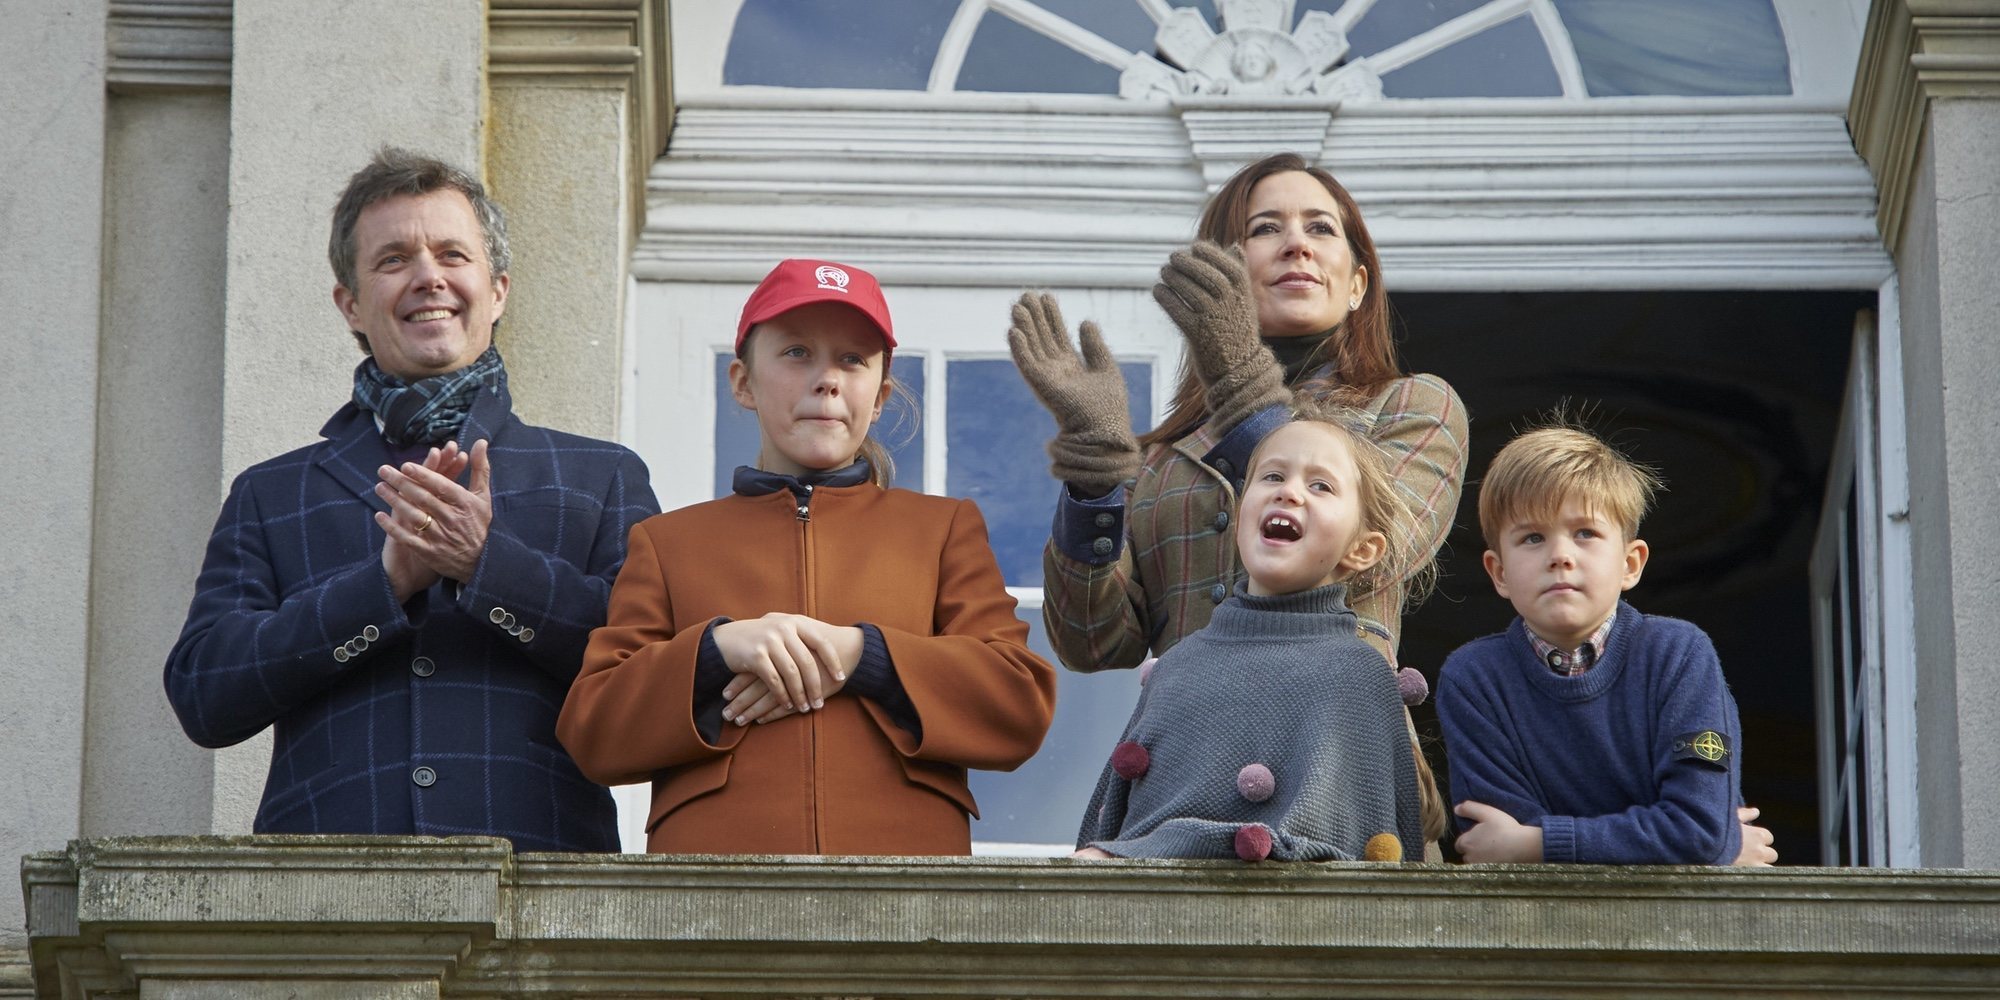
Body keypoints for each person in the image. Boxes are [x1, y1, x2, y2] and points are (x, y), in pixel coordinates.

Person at [163, 149, 659, 851]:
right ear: (351, 305)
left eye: (453, 254)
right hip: (322, 910)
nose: (429, 277)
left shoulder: (600, 475)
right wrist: (384, 586)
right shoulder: (271, 494)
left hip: (545, 902)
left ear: (497, 291)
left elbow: (654, 676)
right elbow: (204, 694)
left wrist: (488, 567)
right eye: (393, 259)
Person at [1008, 152, 1467, 844]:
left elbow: (1380, 551)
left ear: (1356, 284)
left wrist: (1241, 384)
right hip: (1185, 766)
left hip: (1335, 757)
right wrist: (1097, 479)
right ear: (1221, 268)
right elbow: (1092, 641)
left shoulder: (1412, 405)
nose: (1297, 244)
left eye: (1321, 228)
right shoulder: (1159, 461)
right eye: (1265, 229)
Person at [558, 258, 1058, 855]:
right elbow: (593, 731)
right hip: (710, 900)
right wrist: (717, 650)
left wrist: (863, 655)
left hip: (909, 895)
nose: (828, 379)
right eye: (796, 352)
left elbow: (1018, 704)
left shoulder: (942, 529)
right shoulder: (668, 543)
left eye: (853, 360)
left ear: (880, 396)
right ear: (742, 382)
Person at [1073, 410, 1428, 862]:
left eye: (1321, 486)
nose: (1289, 491)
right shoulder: (1178, 666)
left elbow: (1331, 855)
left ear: (1363, 549)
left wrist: (1151, 849)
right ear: (1241, 515)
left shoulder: (1357, 677)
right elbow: (1102, 842)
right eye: (1273, 475)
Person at [1434, 423, 1777, 865]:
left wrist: (1539, 843)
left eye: (1585, 533)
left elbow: (1700, 830)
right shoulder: (1473, 678)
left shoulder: (1678, 654)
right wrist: (1688, 844)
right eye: (1532, 538)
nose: (1560, 555)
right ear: (1498, 573)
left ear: (1630, 563)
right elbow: (1497, 847)